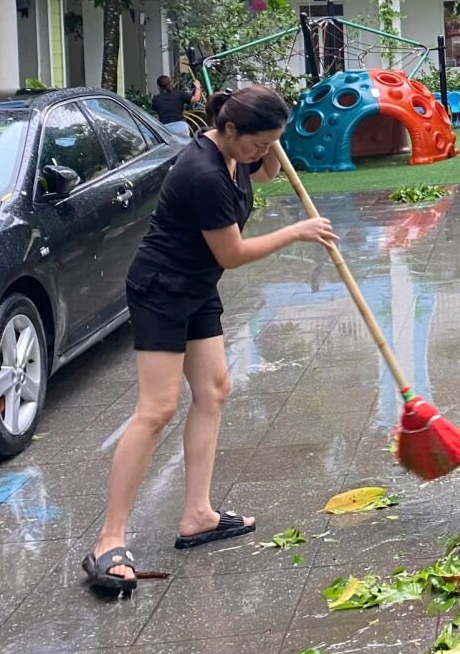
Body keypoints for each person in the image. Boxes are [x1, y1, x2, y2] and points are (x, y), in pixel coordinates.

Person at [83, 86, 335, 595]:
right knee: (156, 409)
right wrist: (297, 231)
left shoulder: (236, 154)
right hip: (161, 289)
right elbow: (233, 253)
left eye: (270, 143)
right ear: (230, 130)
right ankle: (108, 539)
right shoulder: (201, 173)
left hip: (196, 286)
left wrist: (268, 147)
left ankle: (198, 514)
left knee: (214, 389)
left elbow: (261, 172)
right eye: (256, 142)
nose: (262, 153)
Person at [152, 74, 202, 138]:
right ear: (170, 84)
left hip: (165, 129)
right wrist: (197, 86)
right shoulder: (179, 94)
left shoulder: (156, 99)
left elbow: (155, 112)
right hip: (181, 126)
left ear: (158, 87)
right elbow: (196, 98)